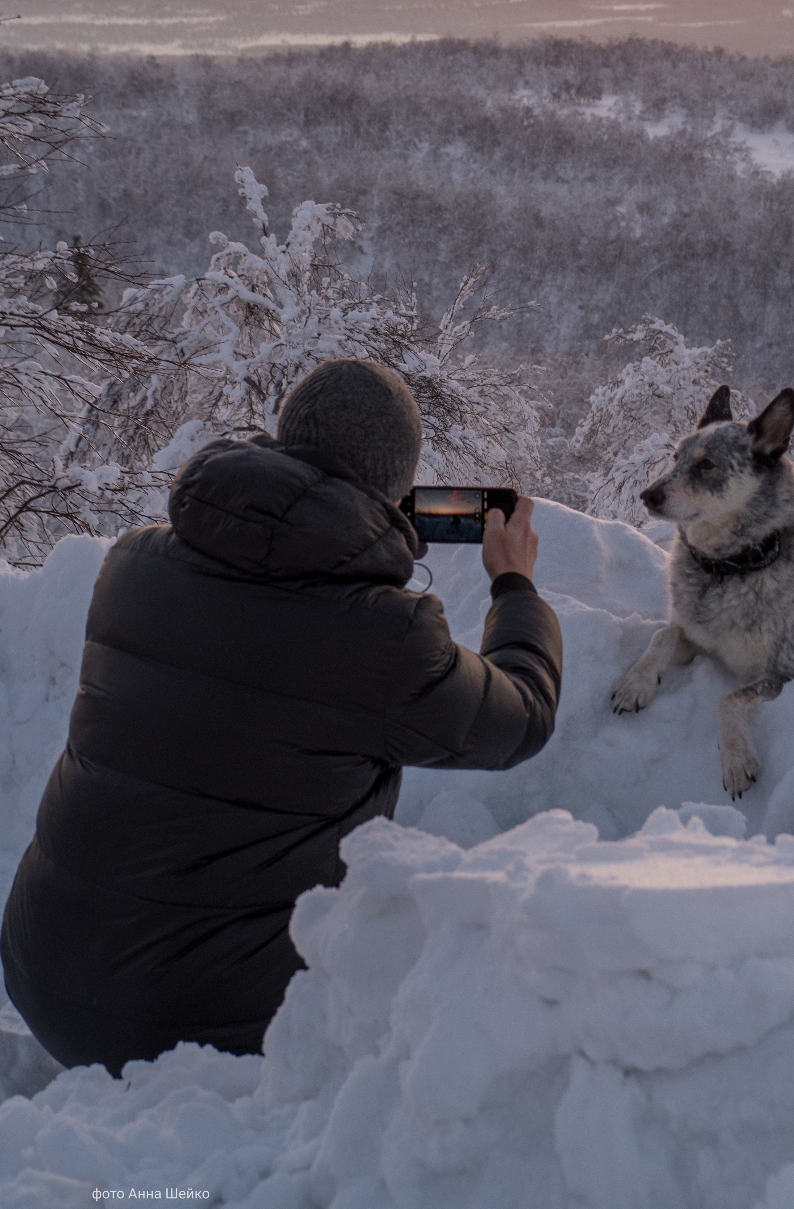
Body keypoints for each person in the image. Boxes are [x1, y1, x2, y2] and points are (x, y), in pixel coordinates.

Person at [1, 359, 561, 1075]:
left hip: (36, 967)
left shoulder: (133, 562)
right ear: (395, 488)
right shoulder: (385, 638)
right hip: (197, 1023)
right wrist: (514, 583)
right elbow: (524, 716)